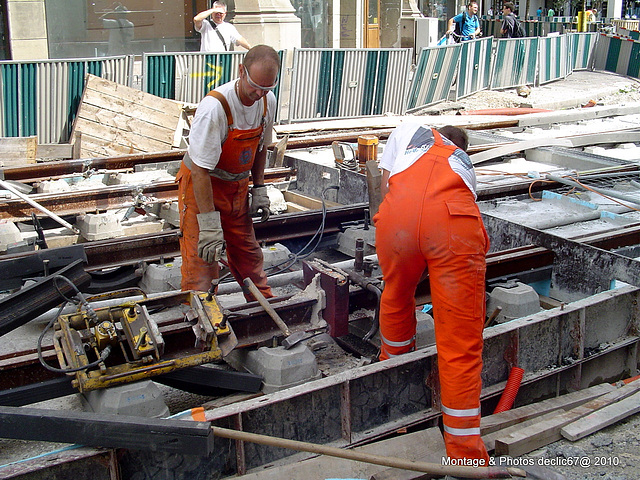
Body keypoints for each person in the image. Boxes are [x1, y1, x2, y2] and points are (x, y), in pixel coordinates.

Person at [374, 123, 490, 467]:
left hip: (398, 217)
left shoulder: (409, 131)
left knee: (395, 295)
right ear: (462, 147)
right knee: (459, 342)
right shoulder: (464, 165)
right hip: (453, 224)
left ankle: (393, 390)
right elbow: (456, 216)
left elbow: (386, 187)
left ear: (439, 131)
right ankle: (466, 460)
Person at [176, 45, 279, 299]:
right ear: (241, 70)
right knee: (203, 264)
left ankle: (262, 309)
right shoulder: (216, 107)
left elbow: (261, 148)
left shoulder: (267, 102)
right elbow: (200, 170)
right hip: (202, 187)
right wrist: (209, 226)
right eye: (255, 86)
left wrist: (260, 188)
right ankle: (201, 320)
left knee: (248, 254)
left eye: (266, 88)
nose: (258, 94)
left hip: (236, 188)